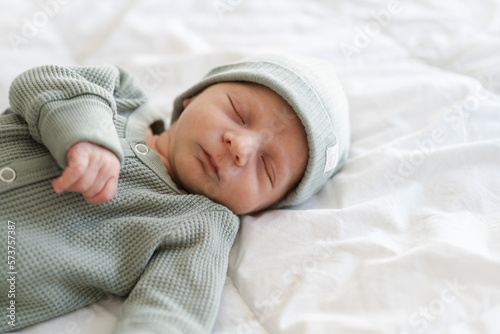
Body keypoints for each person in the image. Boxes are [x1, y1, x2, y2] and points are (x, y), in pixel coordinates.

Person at [0, 54, 350, 333]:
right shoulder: (122, 97)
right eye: (239, 113)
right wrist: (85, 133)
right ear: (193, 96)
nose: (241, 147)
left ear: (264, 206)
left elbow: (170, 312)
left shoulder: (199, 227)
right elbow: (41, 82)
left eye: (268, 166)